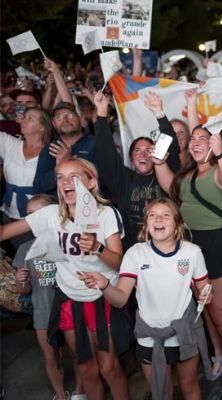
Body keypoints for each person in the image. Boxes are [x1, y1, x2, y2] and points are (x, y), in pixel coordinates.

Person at [0, 158, 130, 400]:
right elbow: (5, 232)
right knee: (86, 368)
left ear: (91, 182)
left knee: (109, 367)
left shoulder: (106, 214)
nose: (66, 182)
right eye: (60, 177)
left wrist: (98, 247)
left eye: (74, 176)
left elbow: (118, 262)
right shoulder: (49, 215)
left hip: (101, 298)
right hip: (70, 299)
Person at [79, 198, 212, 400]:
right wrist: (105, 285)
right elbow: (121, 299)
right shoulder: (135, 254)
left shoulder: (192, 253)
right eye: (152, 215)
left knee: (189, 384)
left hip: (184, 332)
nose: (158, 219)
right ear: (147, 224)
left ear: (177, 224)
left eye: (166, 215)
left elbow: (204, 290)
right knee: (161, 391)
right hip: (149, 337)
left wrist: (206, 295)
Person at [153, 124, 222, 398]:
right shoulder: (189, 174)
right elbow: (169, 185)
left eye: (202, 139)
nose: (195, 143)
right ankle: (220, 353)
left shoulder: (221, 169)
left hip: (221, 244)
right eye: (192, 139)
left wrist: (221, 155)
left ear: (213, 144)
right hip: (193, 246)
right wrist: (159, 162)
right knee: (205, 307)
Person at [13, 194, 85, 400]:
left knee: (77, 353)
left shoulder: (68, 242)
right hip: (42, 310)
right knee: (51, 356)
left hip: (69, 307)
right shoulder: (25, 249)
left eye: (39, 214)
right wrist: (21, 279)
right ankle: (60, 394)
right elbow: (23, 290)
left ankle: (80, 391)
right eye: (29, 215)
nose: (33, 219)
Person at [93, 90, 180, 249]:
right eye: (137, 151)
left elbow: (171, 146)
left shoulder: (166, 174)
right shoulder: (123, 179)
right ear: (131, 158)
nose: (143, 154)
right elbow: (106, 152)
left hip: (167, 248)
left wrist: (159, 113)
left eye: (149, 150)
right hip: (133, 252)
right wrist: (101, 113)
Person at [1, 107, 53, 251]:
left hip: (35, 216)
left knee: (32, 257)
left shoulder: (52, 151)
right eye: (24, 117)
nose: (24, 120)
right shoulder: (10, 143)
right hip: (8, 211)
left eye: (30, 118)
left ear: (42, 127)